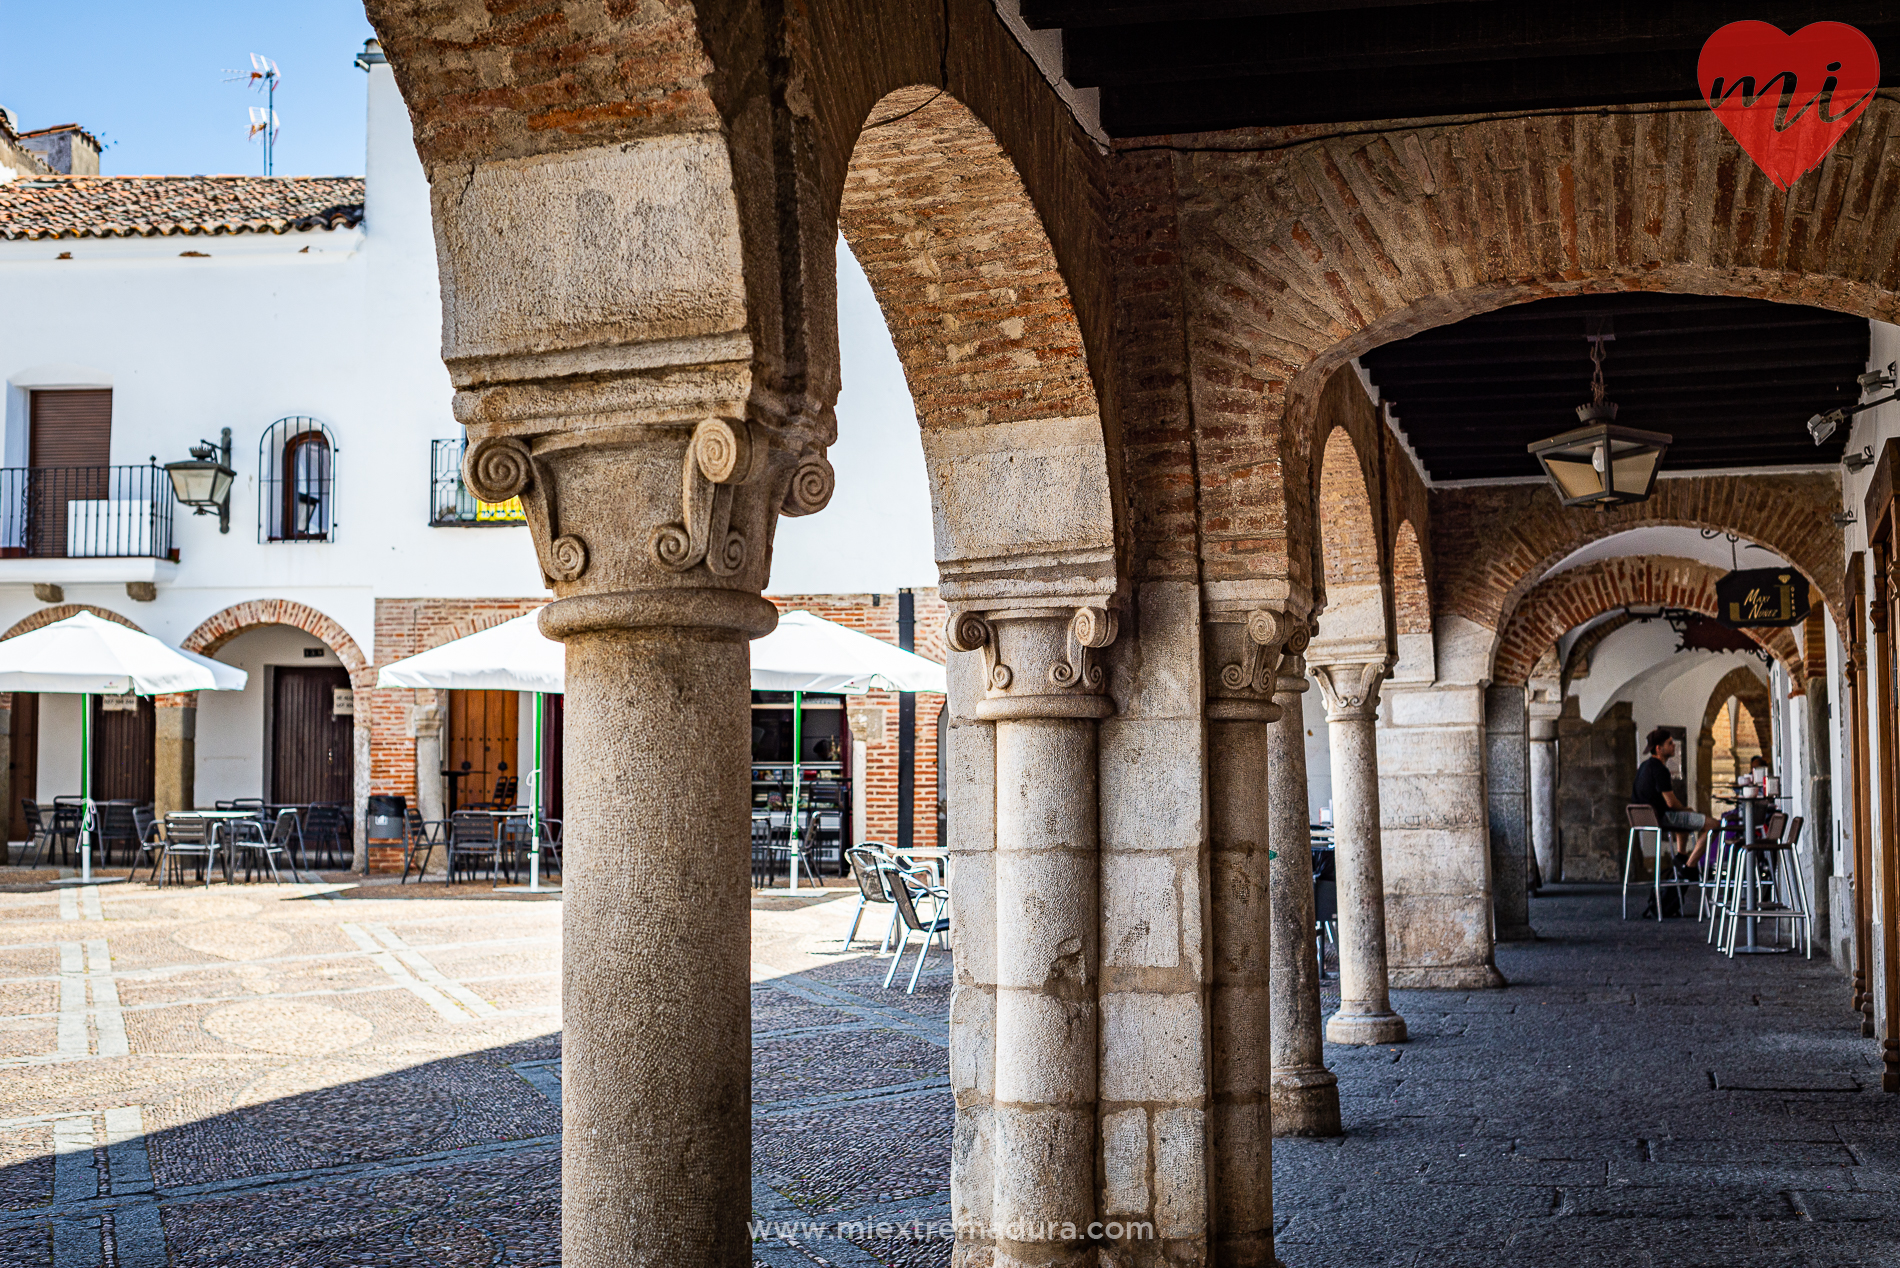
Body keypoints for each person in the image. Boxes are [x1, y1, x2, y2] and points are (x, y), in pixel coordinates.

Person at [1634, 727, 1718, 871]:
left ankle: (1681, 856)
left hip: (1641, 818)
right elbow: (1671, 803)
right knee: (1714, 825)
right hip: (1662, 818)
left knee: (1683, 818)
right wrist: (1687, 809)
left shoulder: (1643, 766)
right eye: (1670, 743)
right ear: (1659, 748)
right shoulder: (1661, 770)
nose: (1674, 746)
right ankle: (1689, 866)